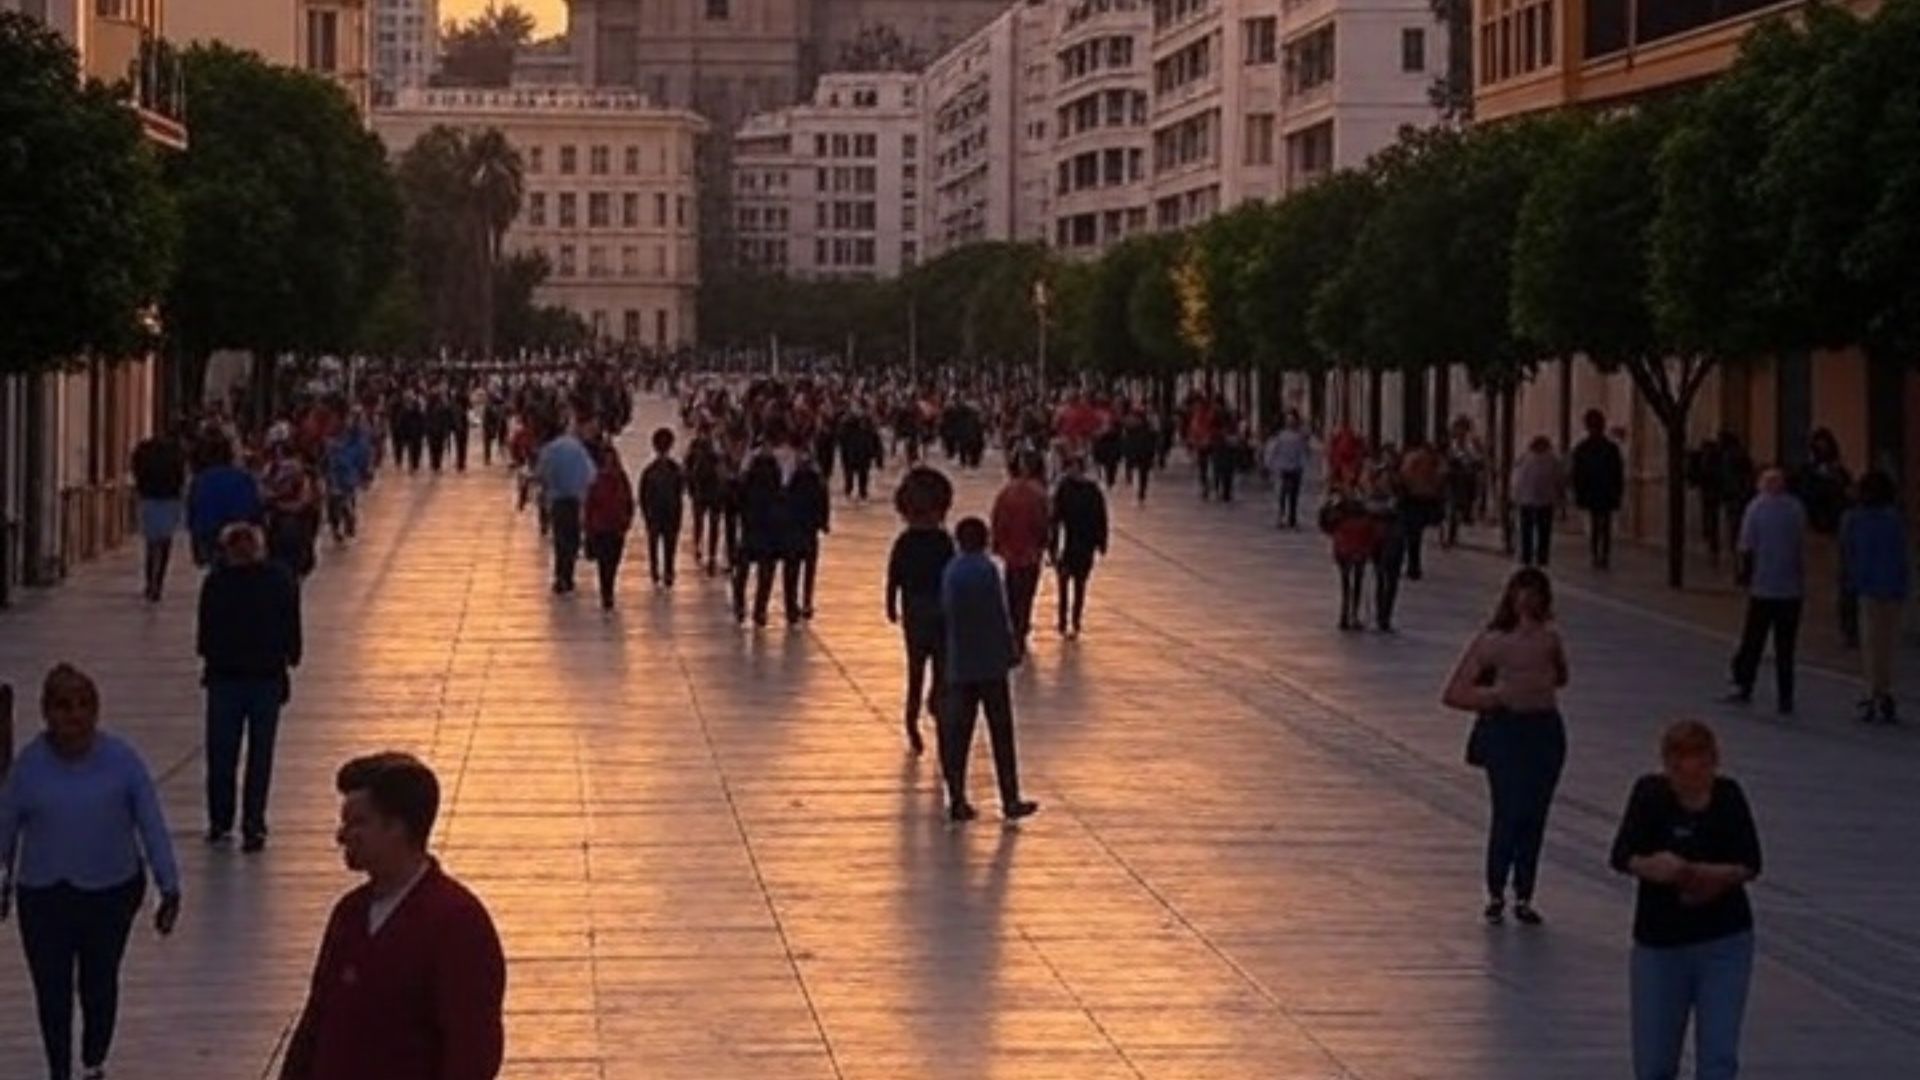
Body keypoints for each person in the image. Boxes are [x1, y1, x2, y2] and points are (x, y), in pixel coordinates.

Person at [0, 664, 182, 1080]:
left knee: (99, 984)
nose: (74, 716)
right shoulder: (28, 769)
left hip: (110, 891)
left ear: (96, 711)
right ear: (47, 713)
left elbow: (150, 822)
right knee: (51, 991)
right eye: (63, 707)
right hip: (44, 896)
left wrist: (168, 885)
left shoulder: (123, 762)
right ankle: (59, 1069)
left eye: (84, 706)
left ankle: (93, 1057)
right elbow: (5, 829)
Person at [278, 753, 505, 1080]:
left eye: (358, 823)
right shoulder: (349, 914)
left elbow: (472, 1050)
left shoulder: (457, 922)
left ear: (396, 827)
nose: (342, 836)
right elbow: (315, 1023)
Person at [1610, 721, 1762, 1080]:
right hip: (1659, 945)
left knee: (1718, 1056)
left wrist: (1706, 874)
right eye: (1679, 771)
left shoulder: (1729, 797)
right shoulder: (1649, 795)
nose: (1689, 780)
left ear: (1713, 763)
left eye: (1699, 770)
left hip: (1724, 940)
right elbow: (1621, 855)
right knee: (1654, 1062)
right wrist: (1652, 866)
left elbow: (1750, 863)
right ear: (1666, 766)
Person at [1443, 567, 1569, 926]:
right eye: (1522, 593)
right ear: (1511, 598)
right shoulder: (1492, 642)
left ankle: (1525, 893)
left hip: (1544, 731)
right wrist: (1498, 695)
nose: (1528, 602)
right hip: (1507, 732)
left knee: (1535, 814)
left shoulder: (1551, 639)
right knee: (1509, 811)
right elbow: (1454, 693)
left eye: (1536, 595)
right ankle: (1497, 889)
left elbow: (1561, 676)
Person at [198, 523, 303, 852]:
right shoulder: (278, 580)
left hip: (228, 679)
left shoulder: (217, 582)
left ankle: (221, 820)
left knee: (222, 753)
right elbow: (291, 625)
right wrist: (292, 656)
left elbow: (204, 633)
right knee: (259, 755)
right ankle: (252, 823)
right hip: (263, 679)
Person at [940, 518, 1040, 824]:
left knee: (959, 734)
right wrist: (1010, 647)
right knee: (1000, 732)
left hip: (962, 662)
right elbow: (1000, 614)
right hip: (990, 664)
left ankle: (957, 798)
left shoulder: (952, 571)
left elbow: (946, 612)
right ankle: (1009, 798)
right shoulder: (986, 570)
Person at [888, 468, 956, 757]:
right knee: (940, 670)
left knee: (915, 671)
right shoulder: (943, 542)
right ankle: (936, 709)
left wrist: (890, 604)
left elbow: (894, 577)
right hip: (939, 612)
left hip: (915, 612)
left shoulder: (905, 542)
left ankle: (912, 721)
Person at [1726, 468, 1805, 715]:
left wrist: (1742, 575)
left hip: (1763, 587)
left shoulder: (1757, 508)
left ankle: (1744, 685)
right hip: (1791, 589)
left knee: (1753, 640)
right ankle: (1785, 695)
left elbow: (1746, 545)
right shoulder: (1795, 508)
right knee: (1786, 645)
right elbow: (1799, 543)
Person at [1840, 469, 1908, 724]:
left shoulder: (1854, 520)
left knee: (1871, 642)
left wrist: (1850, 583)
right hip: (1893, 587)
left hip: (1867, 587)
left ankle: (1872, 692)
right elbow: (1901, 555)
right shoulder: (1894, 520)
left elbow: (1849, 554)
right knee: (1888, 644)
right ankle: (1886, 689)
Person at [990, 451, 1051, 663]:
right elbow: (1044, 524)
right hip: (1031, 553)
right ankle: (1021, 632)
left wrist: (997, 544)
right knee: (1026, 595)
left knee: (1012, 594)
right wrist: (1047, 545)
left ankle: (1014, 633)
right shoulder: (1039, 494)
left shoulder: (1006, 493)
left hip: (1011, 553)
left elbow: (997, 521)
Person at [1050, 455, 1109, 639]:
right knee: (1063, 584)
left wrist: (1101, 541)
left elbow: (1101, 518)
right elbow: (1054, 519)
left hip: (1084, 545)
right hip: (1067, 544)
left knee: (1080, 585)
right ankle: (1062, 620)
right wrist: (1052, 545)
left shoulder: (1092, 491)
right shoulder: (1064, 489)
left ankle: (1075, 620)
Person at [535, 417, 596, 595]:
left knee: (561, 538)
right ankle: (568, 575)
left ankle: (561, 575)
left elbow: (541, 473)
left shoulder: (549, 450)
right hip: (576, 500)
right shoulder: (578, 448)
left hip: (558, 500)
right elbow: (590, 474)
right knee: (573, 537)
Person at [186, 433, 263, 568]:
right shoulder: (244, 478)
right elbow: (256, 507)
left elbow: (193, 513)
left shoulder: (200, 481)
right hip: (241, 531)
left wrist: (196, 545)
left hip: (210, 534)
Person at [131, 424, 189, 602]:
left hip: (149, 498)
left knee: (151, 543)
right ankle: (159, 582)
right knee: (165, 543)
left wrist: (141, 487)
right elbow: (182, 476)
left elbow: (136, 468)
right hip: (169, 499)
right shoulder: (176, 452)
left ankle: (150, 582)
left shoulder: (144, 449)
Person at [734, 451, 785, 627]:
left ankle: (740, 605)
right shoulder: (777, 490)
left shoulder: (747, 487)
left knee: (742, 573)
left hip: (750, 531)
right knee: (765, 575)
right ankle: (760, 609)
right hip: (769, 536)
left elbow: (736, 503)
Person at [583, 442, 636, 611]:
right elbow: (589, 504)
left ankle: (609, 587)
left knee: (614, 561)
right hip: (601, 527)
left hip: (617, 527)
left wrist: (627, 520)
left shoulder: (621, 478)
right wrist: (588, 526)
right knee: (604, 562)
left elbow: (628, 500)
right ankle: (607, 592)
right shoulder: (595, 479)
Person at [1571, 409, 1626, 570]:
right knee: (1600, 524)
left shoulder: (1585, 448)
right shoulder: (1606, 448)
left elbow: (1617, 472)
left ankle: (1600, 554)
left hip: (1599, 491)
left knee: (1600, 524)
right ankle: (1599, 554)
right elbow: (1578, 474)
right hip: (1600, 491)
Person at [783, 452, 831, 621]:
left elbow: (784, 502)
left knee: (792, 570)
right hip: (809, 531)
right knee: (809, 569)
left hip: (792, 530)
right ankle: (806, 601)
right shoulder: (818, 481)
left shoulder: (792, 481)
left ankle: (791, 605)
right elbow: (824, 503)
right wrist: (824, 523)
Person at [1321, 485, 1374, 632]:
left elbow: (1325, 525)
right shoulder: (1363, 510)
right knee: (1356, 583)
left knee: (1347, 584)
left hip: (1344, 548)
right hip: (1357, 549)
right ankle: (1352, 615)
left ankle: (1345, 615)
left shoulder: (1337, 509)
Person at [638, 427, 686, 589]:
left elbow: (643, 495)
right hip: (670, 513)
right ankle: (667, 571)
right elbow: (680, 491)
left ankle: (657, 571)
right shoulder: (676, 470)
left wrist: (646, 513)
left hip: (656, 514)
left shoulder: (649, 471)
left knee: (656, 543)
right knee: (669, 545)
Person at [1511, 436, 1563, 568]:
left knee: (1530, 530)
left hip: (1530, 500)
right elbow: (1558, 479)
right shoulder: (1551, 460)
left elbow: (1516, 479)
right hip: (1539, 500)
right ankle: (1538, 556)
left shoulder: (1526, 458)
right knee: (1539, 530)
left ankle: (1530, 555)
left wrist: (1515, 496)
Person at [1397, 439, 1443, 579]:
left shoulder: (1412, 458)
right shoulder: (1433, 460)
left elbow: (1404, 475)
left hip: (1411, 499)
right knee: (1416, 535)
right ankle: (1415, 566)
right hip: (1426, 499)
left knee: (1409, 535)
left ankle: (1411, 566)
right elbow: (1440, 476)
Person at [1263, 411, 1310, 530]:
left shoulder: (1299, 437)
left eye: (1293, 420)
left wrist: (1302, 466)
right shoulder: (1280, 436)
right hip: (1283, 469)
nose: (1291, 422)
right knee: (1282, 495)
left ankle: (1291, 518)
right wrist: (1269, 465)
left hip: (1295, 469)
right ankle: (1282, 517)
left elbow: (1302, 453)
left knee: (1293, 495)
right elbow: (1272, 451)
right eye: (1289, 420)